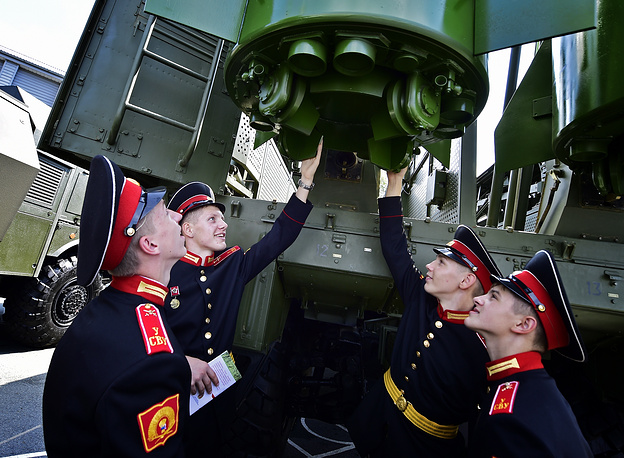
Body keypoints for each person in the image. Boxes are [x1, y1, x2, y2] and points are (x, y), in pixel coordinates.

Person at [163, 138, 322, 456]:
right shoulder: (164, 273)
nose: (223, 225)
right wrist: (179, 362)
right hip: (170, 393)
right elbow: (137, 338)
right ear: (188, 230)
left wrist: (305, 182)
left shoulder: (231, 266)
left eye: (222, 218)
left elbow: (279, 237)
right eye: (213, 220)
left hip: (218, 394)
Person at [347, 167, 502, 457]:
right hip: (377, 416)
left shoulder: (484, 346)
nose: (429, 266)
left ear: (466, 281)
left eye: (441, 263)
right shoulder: (421, 297)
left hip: (424, 447)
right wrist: (394, 183)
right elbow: (395, 248)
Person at [42, 155, 191, 457]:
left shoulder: (105, 311)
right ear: (150, 245)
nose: (178, 217)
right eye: (165, 214)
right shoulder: (155, 363)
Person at [464, 249, 592, 457]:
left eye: (493, 297)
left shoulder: (523, 404)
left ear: (523, 324)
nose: (479, 299)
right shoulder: (522, 387)